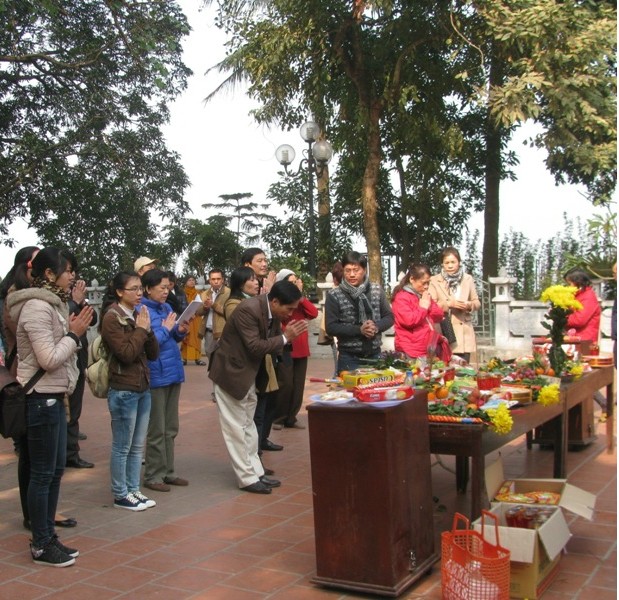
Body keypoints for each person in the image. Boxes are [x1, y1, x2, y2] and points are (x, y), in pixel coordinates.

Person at [7, 247, 94, 567]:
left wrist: (71, 331)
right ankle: (41, 543)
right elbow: (49, 358)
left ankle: (47, 535)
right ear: (48, 274)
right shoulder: (35, 308)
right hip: (40, 399)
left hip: (54, 396)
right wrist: (74, 334)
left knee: (54, 470)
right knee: (43, 474)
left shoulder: (52, 305)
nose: (72, 275)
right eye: (68, 269)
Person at [208, 280, 308, 494]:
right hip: (231, 374)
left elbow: (270, 343)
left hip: (249, 375)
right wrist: (285, 337)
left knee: (248, 426)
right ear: (274, 301)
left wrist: (284, 338)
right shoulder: (249, 310)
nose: (291, 314)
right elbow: (255, 347)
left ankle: (256, 471)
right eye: (288, 309)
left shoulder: (270, 311)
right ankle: (246, 478)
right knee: (236, 428)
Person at [100, 272, 160, 511]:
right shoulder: (112, 318)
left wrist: (148, 328)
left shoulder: (138, 314)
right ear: (119, 292)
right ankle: (120, 493)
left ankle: (134, 490)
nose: (139, 293)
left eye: (140, 289)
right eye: (133, 289)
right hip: (124, 389)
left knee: (137, 446)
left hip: (143, 386)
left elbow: (153, 354)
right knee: (122, 446)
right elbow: (125, 354)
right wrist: (141, 330)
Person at [140, 269, 191, 492]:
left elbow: (171, 336)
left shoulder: (167, 307)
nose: (165, 291)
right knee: (156, 429)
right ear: (147, 289)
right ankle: (153, 475)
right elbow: (148, 343)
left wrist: (180, 330)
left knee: (171, 427)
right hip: (156, 374)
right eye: (161, 287)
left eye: (167, 287)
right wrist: (166, 329)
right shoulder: (141, 311)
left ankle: (169, 472)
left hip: (172, 371)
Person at [325, 251, 394, 374]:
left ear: (364, 270)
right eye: (347, 270)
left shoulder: (376, 290)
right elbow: (331, 327)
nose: (352, 274)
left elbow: (389, 317)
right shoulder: (334, 295)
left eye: (356, 270)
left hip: (374, 355)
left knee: (375, 391)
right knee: (349, 393)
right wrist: (359, 330)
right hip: (349, 357)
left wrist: (375, 327)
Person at [241, 249, 281, 453]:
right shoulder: (243, 300)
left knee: (266, 405)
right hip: (250, 361)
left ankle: (261, 443)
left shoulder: (264, 289)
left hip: (267, 356)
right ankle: (253, 456)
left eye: (266, 260)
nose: (265, 264)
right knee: (252, 412)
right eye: (260, 261)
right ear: (248, 265)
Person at [272, 269, 318, 430]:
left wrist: (301, 296)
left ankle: (292, 417)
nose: (293, 285)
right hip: (286, 347)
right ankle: (278, 418)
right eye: (290, 282)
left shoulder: (299, 302)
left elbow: (313, 312)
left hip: (301, 348)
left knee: (298, 385)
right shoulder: (282, 303)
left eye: (295, 282)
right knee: (285, 384)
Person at [65, 278, 97, 469]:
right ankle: (65, 452)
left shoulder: (75, 298)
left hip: (78, 357)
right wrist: (73, 302)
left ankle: (71, 453)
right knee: (64, 410)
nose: (71, 277)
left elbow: (93, 319)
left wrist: (82, 302)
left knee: (74, 407)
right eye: (67, 271)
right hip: (62, 358)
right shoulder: (52, 299)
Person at [564, 267, 605, 414]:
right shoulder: (578, 295)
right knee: (576, 376)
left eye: (569, 283)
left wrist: (561, 317)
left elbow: (580, 320)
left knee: (581, 377)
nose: (568, 287)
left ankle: (603, 403)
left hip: (584, 342)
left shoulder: (588, 297)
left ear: (577, 283)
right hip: (574, 340)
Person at [429, 247, 480, 363]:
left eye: (453, 262)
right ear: (442, 264)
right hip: (444, 330)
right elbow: (431, 305)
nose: (450, 266)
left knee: (464, 373)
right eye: (447, 263)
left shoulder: (468, 279)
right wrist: (449, 304)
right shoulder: (434, 280)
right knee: (445, 371)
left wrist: (469, 305)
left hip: (464, 333)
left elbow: (477, 302)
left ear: (459, 262)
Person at [392, 264, 445, 359]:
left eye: (428, 283)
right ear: (412, 279)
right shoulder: (401, 297)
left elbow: (439, 315)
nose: (426, 286)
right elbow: (409, 321)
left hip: (428, 347)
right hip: (410, 349)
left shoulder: (423, 295)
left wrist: (429, 304)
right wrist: (423, 307)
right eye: (423, 283)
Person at [199, 269, 230, 358]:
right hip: (208, 332)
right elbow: (198, 312)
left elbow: (229, 312)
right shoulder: (204, 294)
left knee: (223, 360)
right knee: (210, 358)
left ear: (222, 280)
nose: (216, 281)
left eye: (218, 279)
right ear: (209, 280)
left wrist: (213, 305)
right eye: (213, 279)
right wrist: (205, 307)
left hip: (224, 332)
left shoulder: (229, 293)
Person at [180, 275, 206, 366]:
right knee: (186, 336)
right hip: (186, 318)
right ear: (185, 282)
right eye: (189, 280)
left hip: (196, 318)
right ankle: (184, 358)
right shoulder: (182, 293)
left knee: (196, 337)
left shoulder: (198, 293)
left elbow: (201, 305)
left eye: (193, 280)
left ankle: (197, 358)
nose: (192, 282)